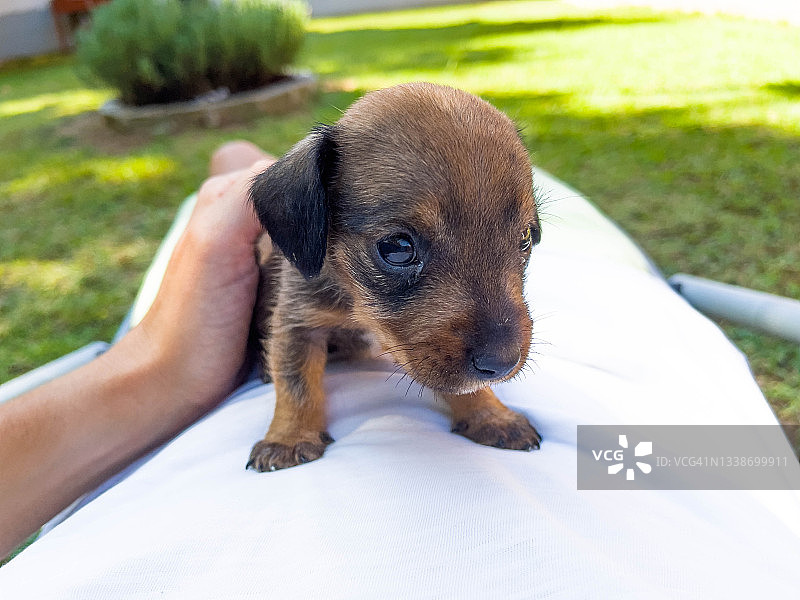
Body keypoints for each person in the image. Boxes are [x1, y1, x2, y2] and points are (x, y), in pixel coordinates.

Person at [0, 141, 275, 558]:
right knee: (240, 168)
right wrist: (159, 369)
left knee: (235, 166)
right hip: (240, 371)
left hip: (192, 400)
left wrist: (156, 369)